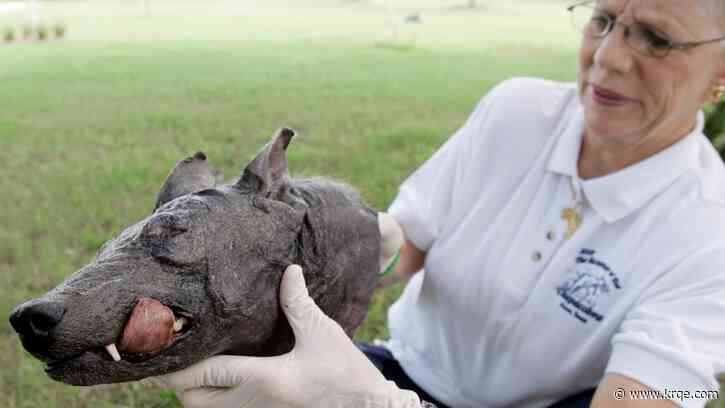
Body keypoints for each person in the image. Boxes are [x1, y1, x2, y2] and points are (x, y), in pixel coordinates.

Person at [155, 0, 725, 406]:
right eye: (602, 20)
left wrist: (371, 404)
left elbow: (676, 390)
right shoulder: (516, 112)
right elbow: (405, 242)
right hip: (406, 369)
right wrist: (280, 279)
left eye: (656, 38)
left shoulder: (710, 231)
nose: (609, 58)